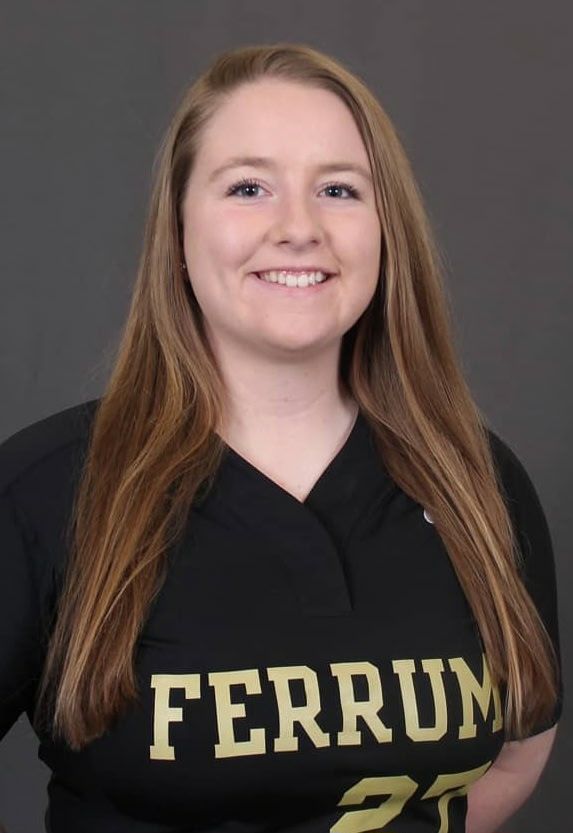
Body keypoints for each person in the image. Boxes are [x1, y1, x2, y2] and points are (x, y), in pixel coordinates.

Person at [0, 42, 562, 833]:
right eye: (248, 187)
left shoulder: (476, 479)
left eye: (338, 189)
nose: (298, 228)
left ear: (386, 231)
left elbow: (516, 754)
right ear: (178, 230)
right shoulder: (47, 490)